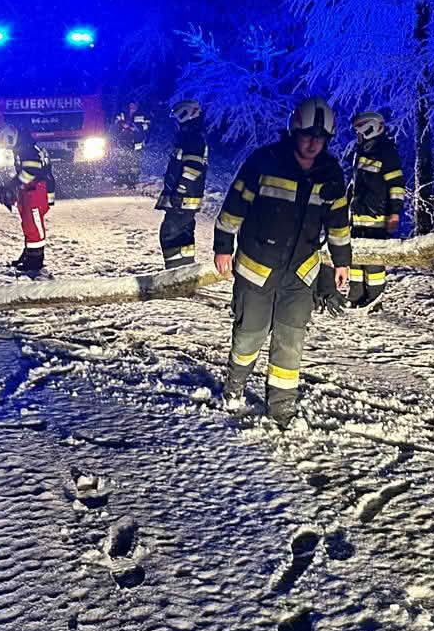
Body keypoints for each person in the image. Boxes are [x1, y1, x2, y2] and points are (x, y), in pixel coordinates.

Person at [212, 97, 351, 429]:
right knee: (249, 335)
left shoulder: (330, 172)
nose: (314, 142)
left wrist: (342, 263)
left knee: (290, 342)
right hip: (257, 266)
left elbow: (339, 223)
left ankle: (281, 410)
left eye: (321, 137)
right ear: (293, 130)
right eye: (307, 134)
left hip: (301, 273)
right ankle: (233, 388)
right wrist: (222, 246)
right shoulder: (265, 162)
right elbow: (234, 204)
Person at [346, 110, 405, 309]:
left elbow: (396, 185)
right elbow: (355, 184)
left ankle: (374, 300)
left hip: (376, 216)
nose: (358, 136)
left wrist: (395, 213)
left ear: (370, 129)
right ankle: (355, 296)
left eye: (360, 132)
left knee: (373, 261)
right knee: (355, 258)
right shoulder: (360, 152)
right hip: (357, 216)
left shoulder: (386, 152)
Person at [0, 126, 58, 274]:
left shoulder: (27, 149)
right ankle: (29, 254)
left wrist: (13, 185)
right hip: (31, 190)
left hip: (36, 191)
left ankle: (35, 260)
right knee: (28, 224)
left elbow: (32, 171)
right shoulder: (26, 146)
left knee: (33, 226)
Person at [156, 99, 207, 268]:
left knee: (170, 234)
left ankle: (176, 276)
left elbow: (193, 168)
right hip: (184, 198)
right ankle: (185, 272)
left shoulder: (192, 138)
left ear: (186, 115)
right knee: (182, 236)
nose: (176, 122)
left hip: (183, 198)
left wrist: (180, 191)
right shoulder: (190, 136)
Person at [113, 101, 148, 187]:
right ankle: (122, 180)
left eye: (134, 105)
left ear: (137, 105)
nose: (132, 107)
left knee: (134, 162)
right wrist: (122, 124)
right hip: (124, 141)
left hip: (137, 142)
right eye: (130, 105)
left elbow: (147, 126)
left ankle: (133, 181)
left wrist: (136, 127)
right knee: (122, 161)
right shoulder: (122, 113)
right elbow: (115, 121)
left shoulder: (142, 114)